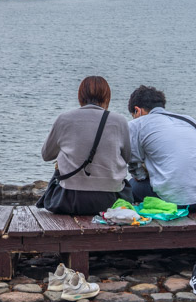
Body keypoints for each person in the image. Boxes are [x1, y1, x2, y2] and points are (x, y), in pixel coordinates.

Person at [39, 76, 132, 216]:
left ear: (80, 96)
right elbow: (128, 157)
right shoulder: (120, 121)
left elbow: (46, 155)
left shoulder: (64, 119)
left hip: (70, 199)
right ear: (107, 97)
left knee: (60, 158)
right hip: (111, 200)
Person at [126, 85, 196, 212]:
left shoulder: (136, 125)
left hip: (176, 201)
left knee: (131, 185)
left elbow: (135, 169)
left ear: (137, 110)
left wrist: (145, 175)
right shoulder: (189, 121)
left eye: (133, 115)